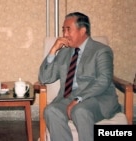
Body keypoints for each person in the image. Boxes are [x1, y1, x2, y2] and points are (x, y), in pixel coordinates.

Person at [39, 12, 121, 141]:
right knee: (51, 110)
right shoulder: (64, 52)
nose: (64, 34)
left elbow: (104, 80)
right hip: (68, 98)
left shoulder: (101, 50)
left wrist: (78, 99)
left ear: (82, 30)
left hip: (96, 98)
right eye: (63, 30)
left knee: (80, 110)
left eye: (68, 29)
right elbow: (45, 78)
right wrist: (53, 50)